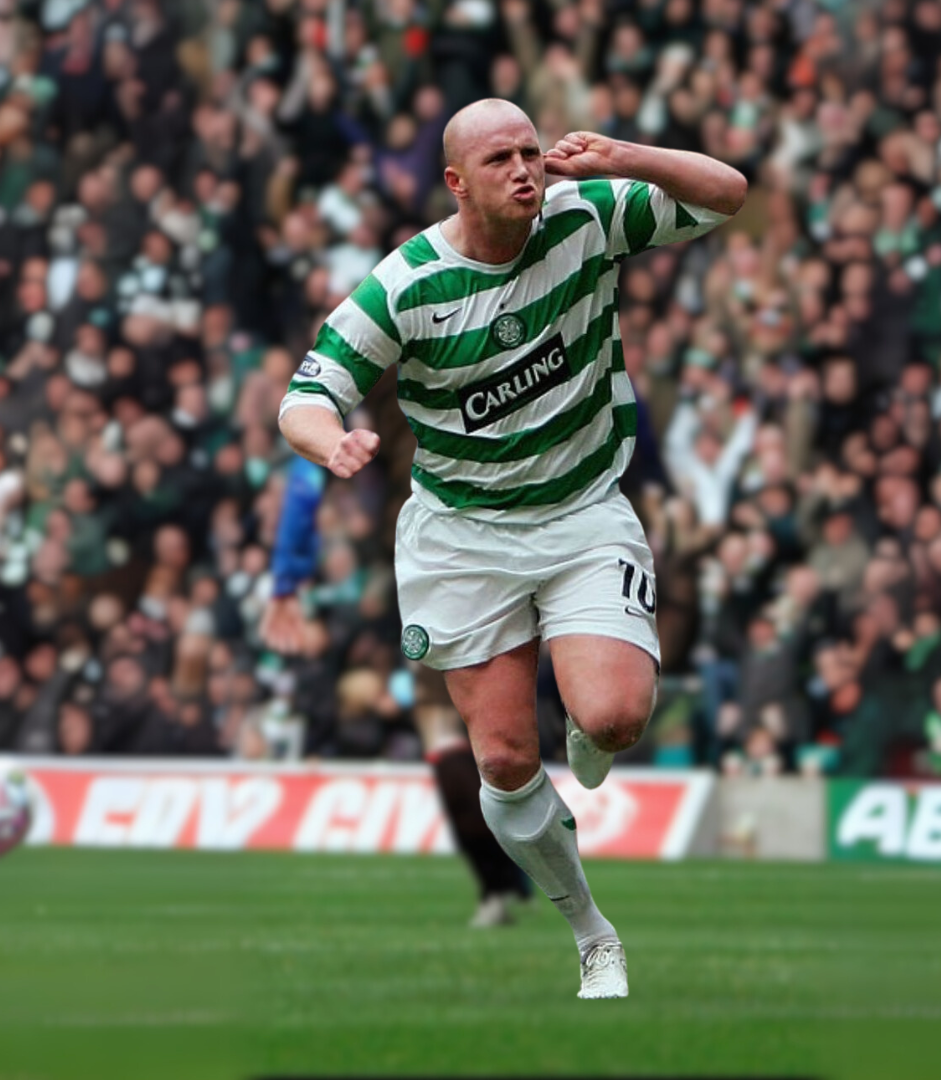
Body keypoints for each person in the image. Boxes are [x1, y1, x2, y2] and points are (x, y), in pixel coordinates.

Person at [278, 98, 746, 999]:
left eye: (531, 151)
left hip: (582, 511)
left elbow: (726, 193)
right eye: (500, 160)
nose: (525, 170)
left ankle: (587, 719)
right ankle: (592, 932)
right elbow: (306, 395)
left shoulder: (584, 216)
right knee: (500, 759)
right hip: (464, 537)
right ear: (457, 182)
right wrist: (330, 443)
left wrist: (624, 155)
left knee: (614, 719)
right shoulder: (406, 285)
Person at [260, 454, 531, 928]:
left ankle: (501, 879)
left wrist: (288, 573)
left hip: (434, 576)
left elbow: (307, 476)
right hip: (502, 566)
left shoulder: (383, 418)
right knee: (475, 743)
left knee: (451, 740)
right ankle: (507, 873)